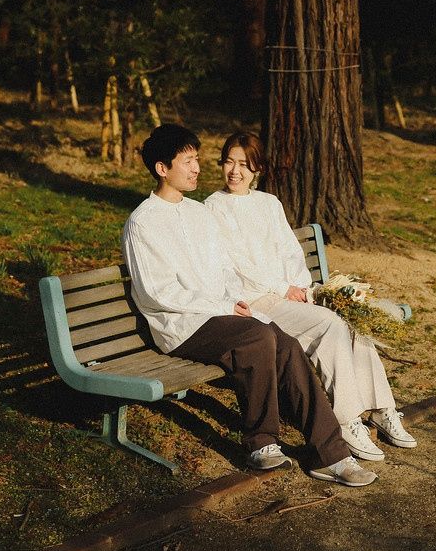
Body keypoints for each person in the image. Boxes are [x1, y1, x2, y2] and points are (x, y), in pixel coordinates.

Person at [122, 123, 377, 486]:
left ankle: (331, 454)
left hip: (221, 314)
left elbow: (224, 269)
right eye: (188, 161)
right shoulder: (143, 222)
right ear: (162, 168)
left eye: (197, 159)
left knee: (286, 344)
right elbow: (157, 292)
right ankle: (261, 443)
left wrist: (232, 300)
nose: (197, 168)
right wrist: (221, 306)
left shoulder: (197, 213)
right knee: (258, 338)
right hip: (180, 325)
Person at [205, 131, 417, 462]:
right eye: (229, 162)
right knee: (330, 325)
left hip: (288, 296)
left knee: (351, 319)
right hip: (257, 301)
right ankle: (346, 420)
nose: (235, 171)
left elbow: (289, 250)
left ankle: (381, 408)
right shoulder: (212, 208)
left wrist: (303, 288)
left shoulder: (268, 203)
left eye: (244, 164)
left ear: (258, 168)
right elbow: (235, 264)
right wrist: (282, 288)